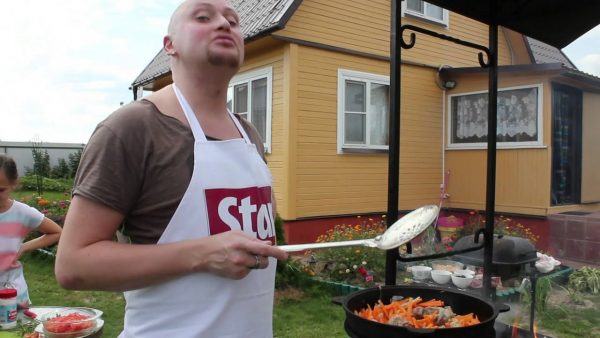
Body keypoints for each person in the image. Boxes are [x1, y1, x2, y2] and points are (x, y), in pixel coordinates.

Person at [54, 0, 288, 337]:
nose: (224, 24)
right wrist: (202, 255)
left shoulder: (248, 134)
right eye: (204, 17)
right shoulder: (131, 128)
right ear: (170, 46)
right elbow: (73, 265)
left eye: (233, 21)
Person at [0, 154, 62, 308]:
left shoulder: (22, 212)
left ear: (14, 183)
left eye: (0, 190)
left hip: (13, 298)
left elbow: (56, 232)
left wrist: (24, 247)